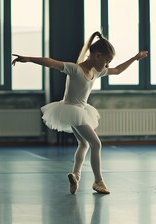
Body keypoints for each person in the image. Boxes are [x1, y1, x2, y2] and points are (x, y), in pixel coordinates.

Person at [12, 31, 148, 194]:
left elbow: (118, 70)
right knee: (96, 144)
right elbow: (50, 62)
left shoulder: (97, 71)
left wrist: (135, 58)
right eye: (106, 61)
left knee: (83, 144)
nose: (107, 66)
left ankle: (76, 176)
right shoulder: (75, 69)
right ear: (97, 56)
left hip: (79, 111)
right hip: (72, 110)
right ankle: (98, 181)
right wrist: (28, 59)